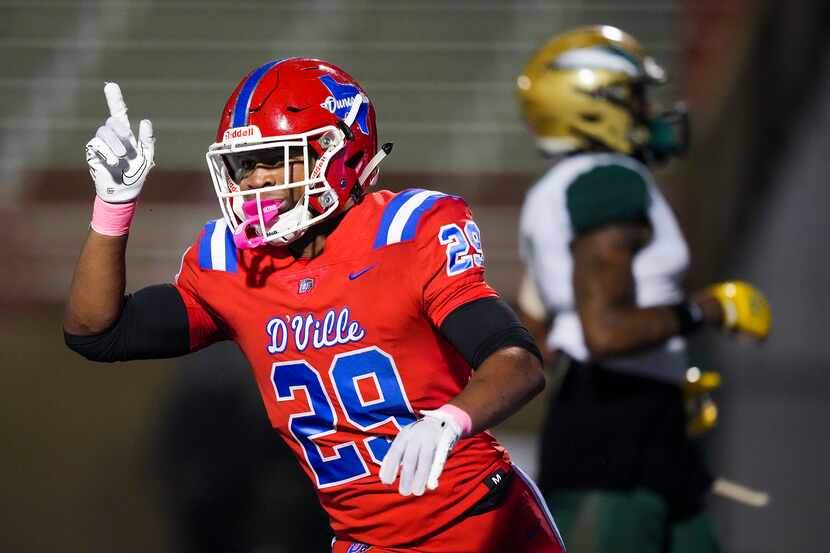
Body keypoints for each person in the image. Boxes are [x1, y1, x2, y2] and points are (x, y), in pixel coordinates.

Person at [64, 57, 565, 553]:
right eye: (245, 164)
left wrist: (449, 420)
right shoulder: (233, 263)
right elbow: (97, 332)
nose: (256, 180)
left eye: (277, 158)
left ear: (340, 154)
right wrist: (113, 206)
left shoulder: (406, 233)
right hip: (364, 540)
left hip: (482, 523)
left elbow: (517, 363)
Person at [514, 26, 772, 553]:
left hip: (621, 428)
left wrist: (667, 388)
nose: (648, 111)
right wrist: (711, 309)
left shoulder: (558, 188)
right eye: (633, 98)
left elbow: (539, 327)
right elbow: (605, 332)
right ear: (592, 105)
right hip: (616, 450)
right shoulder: (611, 181)